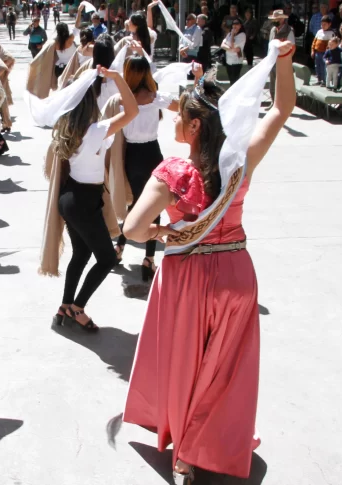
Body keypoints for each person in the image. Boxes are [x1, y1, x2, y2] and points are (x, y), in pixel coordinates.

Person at [123, 38, 296, 484]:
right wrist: (284, 62)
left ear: (196, 126)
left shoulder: (173, 174)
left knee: (188, 362)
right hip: (237, 272)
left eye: (180, 114)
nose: (174, 119)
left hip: (189, 277)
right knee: (226, 368)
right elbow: (281, 110)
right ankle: (211, 442)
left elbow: (132, 231)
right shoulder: (241, 162)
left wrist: (163, 232)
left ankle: (184, 451)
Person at [40, 65, 139, 331]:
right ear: (90, 102)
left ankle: (65, 304)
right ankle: (77, 307)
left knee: (82, 253)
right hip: (82, 202)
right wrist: (118, 78)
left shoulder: (67, 129)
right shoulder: (96, 130)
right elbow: (132, 111)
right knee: (107, 259)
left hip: (72, 199)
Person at [107, 56, 198, 278]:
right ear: (147, 73)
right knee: (153, 205)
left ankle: (120, 248)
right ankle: (148, 257)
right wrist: (197, 80)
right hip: (152, 153)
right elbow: (185, 105)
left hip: (131, 156)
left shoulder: (121, 100)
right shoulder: (154, 97)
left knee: (138, 203)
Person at [27, 22, 76, 99]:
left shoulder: (54, 42)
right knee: (71, 88)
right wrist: (79, 12)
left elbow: (44, 53)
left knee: (60, 88)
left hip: (59, 69)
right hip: (70, 67)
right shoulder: (71, 39)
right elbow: (76, 27)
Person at [221, 18, 246, 84]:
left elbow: (232, 45)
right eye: (233, 24)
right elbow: (222, 45)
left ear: (240, 26)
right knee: (230, 79)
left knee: (234, 81)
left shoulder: (242, 35)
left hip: (236, 61)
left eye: (237, 24)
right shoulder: (229, 34)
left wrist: (232, 35)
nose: (235, 26)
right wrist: (231, 50)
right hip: (228, 60)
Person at [311, 15, 335, 85]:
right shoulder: (319, 32)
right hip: (317, 52)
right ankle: (319, 79)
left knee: (323, 67)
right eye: (322, 24)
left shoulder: (331, 33)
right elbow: (314, 42)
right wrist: (312, 50)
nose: (323, 26)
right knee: (317, 66)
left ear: (329, 24)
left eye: (325, 24)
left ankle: (324, 81)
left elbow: (330, 45)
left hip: (325, 53)